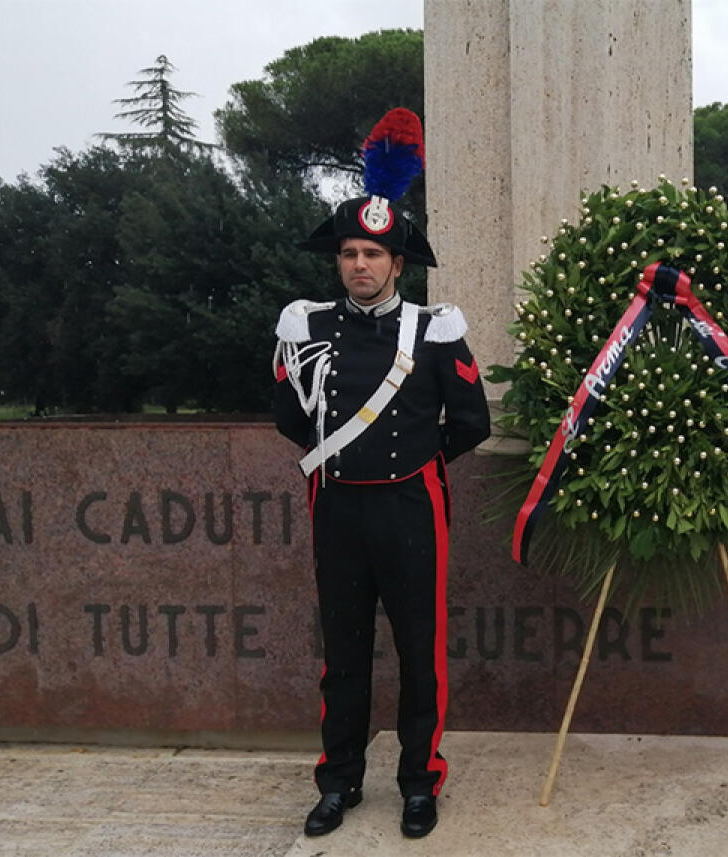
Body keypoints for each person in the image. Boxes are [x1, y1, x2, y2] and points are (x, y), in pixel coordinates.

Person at [272, 108, 490, 839]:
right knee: (342, 654)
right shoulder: (307, 328)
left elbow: (471, 422)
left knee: (421, 654)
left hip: (410, 509)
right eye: (349, 253)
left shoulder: (434, 329)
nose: (359, 265)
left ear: (399, 263)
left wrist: (414, 462)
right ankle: (339, 782)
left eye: (374, 253)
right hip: (337, 507)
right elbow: (290, 416)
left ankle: (420, 782)